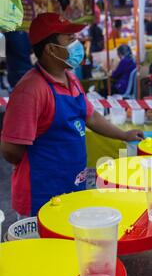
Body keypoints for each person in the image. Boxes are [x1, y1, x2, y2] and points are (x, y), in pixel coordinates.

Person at [0, 13, 143, 217]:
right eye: (70, 39)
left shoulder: (70, 78)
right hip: (42, 196)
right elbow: (10, 149)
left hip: (72, 187)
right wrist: (44, 162)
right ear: (51, 49)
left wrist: (124, 135)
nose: (77, 45)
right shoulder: (31, 90)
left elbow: (90, 117)